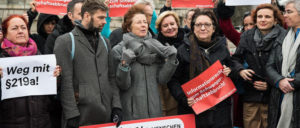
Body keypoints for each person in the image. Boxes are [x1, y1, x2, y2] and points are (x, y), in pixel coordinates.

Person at [54, 0, 122, 127]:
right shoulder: (65, 41)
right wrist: (71, 114)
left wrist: (116, 106)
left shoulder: (105, 42)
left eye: (105, 17)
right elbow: (66, 81)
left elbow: (111, 78)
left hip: (106, 115)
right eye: (100, 17)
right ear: (86, 16)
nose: (104, 22)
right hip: (81, 115)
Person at [168, 8, 236, 128]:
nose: (203, 28)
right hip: (193, 111)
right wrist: (183, 98)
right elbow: (173, 80)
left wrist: (230, 71)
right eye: (198, 25)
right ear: (193, 28)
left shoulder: (222, 48)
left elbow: (233, 70)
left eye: (207, 24)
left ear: (214, 28)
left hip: (220, 112)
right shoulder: (182, 50)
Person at [111, 5, 178, 121]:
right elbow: (123, 85)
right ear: (128, 27)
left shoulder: (156, 47)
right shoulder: (119, 50)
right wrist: (124, 64)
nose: (143, 25)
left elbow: (162, 79)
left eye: (145, 22)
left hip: (155, 111)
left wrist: (172, 59)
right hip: (131, 114)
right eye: (138, 22)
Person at [0, 14, 61, 128]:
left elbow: (50, 98)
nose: (20, 31)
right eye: (14, 28)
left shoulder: (39, 57)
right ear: (5, 34)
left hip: (42, 123)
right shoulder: (1, 59)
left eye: (23, 28)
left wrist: (55, 79)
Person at [231, 4, 286, 128]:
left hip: (274, 98)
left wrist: (271, 84)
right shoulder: (246, 36)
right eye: (260, 16)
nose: (263, 19)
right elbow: (235, 59)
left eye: (267, 16)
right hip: (251, 96)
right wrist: (240, 71)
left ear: (275, 20)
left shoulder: (284, 37)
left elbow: (287, 68)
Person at [266, 0, 300, 128]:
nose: (284, 15)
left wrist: (291, 82)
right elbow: (269, 65)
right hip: (279, 96)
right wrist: (279, 80)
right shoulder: (282, 36)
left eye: (289, 12)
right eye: (284, 11)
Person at [155, 11, 186, 116]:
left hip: (190, 91)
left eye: (172, 24)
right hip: (169, 97)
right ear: (160, 29)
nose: (170, 27)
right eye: (165, 25)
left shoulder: (189, 39)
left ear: (177, 24)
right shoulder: (156, 46)